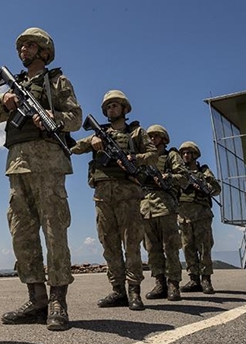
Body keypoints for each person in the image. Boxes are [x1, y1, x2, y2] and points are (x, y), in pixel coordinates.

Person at [0, 28, 82, 331]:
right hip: (17, 166)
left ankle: (57, 302)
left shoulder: (57, 82)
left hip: (48, 164)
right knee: (22, 234)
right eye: (21, 46)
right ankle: (36, 299)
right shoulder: (16, 86)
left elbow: (75, 118)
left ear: (44, 51)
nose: (23, 49)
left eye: (30, 45)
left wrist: (52, 117)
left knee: (55, 233)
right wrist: (5, 100)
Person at [71, 90, 157, 311]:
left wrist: (134, 158)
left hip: (128, 195)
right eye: (108, 106)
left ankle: (134, 291)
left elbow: (153, 155)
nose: (111, 109)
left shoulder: (136, 132)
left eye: (115, 106)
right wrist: (93, 140)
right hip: (102, 195)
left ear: (124, 108)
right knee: (109, 244)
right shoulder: (99, 134)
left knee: (131, 243)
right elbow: (74, 148)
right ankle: (118, 290)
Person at [140, 125, 189, 301]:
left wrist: (168, 177)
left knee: (171, 247)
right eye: (149, 137)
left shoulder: (171, 156)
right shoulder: (145, 157)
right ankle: (160, 283)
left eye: (155, 137)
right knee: (152, 249)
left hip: (166, 206)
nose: (152, 139)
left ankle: (173, 284)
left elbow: (184, 177)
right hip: (146, 208)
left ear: (163, 139)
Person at [177, 141, 222, 294]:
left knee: (204, 247)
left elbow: (216, 189)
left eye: (188, 153)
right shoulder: (179, 172)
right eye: (183, 153)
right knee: (187, 247)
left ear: (195, 155)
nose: (185, 156)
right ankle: (194, 279)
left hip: (201, 214)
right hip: (183, 215)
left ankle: (206, 279)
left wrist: (204, 186)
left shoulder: (204, 171)